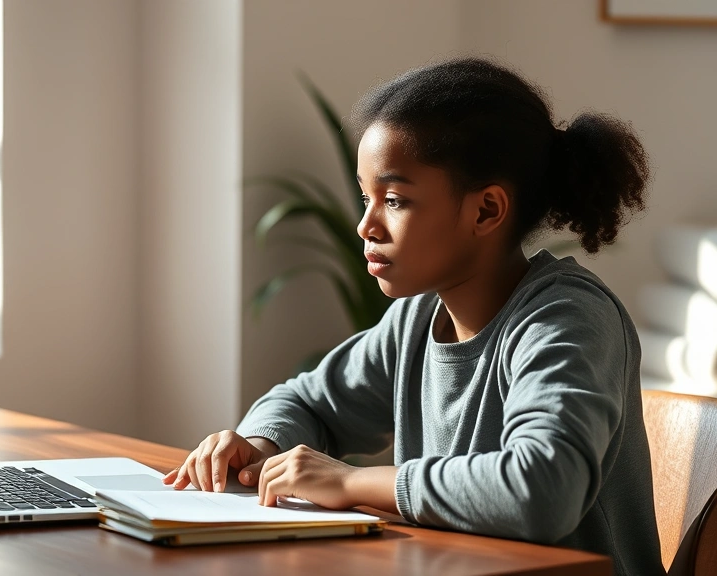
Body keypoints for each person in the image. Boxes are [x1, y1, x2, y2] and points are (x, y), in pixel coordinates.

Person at [162, 57, 664, 575]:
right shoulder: (417, 319)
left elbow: (542, 491)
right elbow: (310, 402)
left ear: (486, 211)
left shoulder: (567, 319)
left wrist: (350, 482)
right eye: (366, 197)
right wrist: (259, 445)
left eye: (395, 199)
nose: (365, 226)